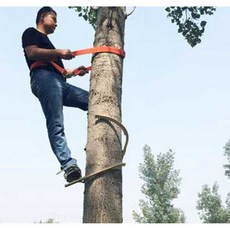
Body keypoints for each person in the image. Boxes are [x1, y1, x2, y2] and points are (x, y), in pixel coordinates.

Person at [21, 6, 89, 183]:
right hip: (43, 79)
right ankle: (68, 165)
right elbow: (32, 53)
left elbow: (60, 71)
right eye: (53, 18)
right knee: (56, 122)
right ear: (42, 17)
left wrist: (74, 71)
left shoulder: (49, 44)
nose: (56, 23)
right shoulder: (30, 33)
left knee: (93, 100)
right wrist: (59, 52)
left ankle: (96, 143)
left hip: (59, 81)